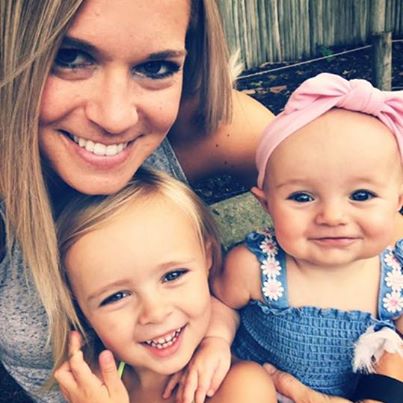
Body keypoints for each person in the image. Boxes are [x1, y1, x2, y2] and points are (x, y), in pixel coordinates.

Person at [0, 1, 274, 401]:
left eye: (156, 67)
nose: (115, 118)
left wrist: (382, 376)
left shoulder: (204, 126)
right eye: (70, 58)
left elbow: (361, 213)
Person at [209, 73, 403, 401]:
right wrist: (215, 341)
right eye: (302, 197)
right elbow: (221, 304)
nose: (332, 216)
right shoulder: (255, 266)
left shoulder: (396, 276)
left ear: (398, 202)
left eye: (361, 195)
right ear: (266, 204)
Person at [53, 168, 277, 403]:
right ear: (77, 306)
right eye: (117, 296)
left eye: (172, 275)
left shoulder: (242, 387)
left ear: (207, 258)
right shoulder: (93, 386)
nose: (155, 313)